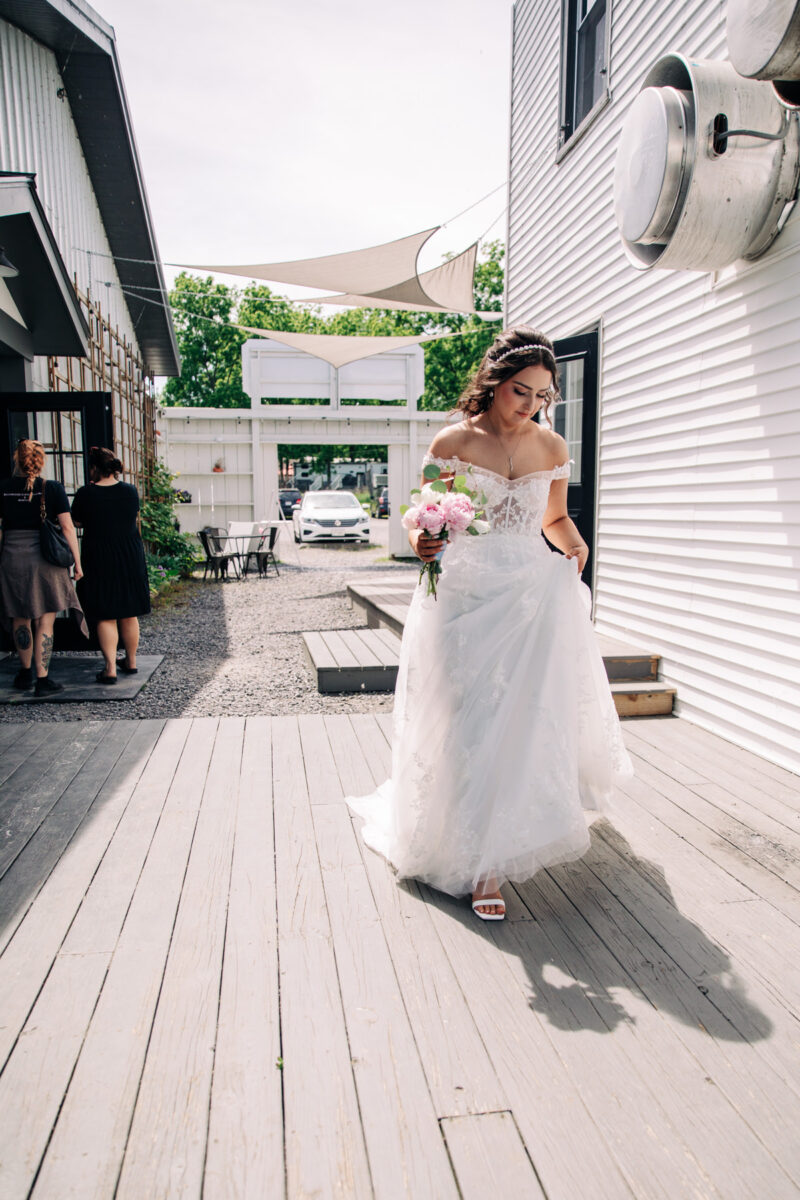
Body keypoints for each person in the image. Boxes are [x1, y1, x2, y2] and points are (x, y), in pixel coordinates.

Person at [346, 327, 633, 921]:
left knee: (522, 719)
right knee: (466, 719)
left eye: (540, 395)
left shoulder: (551, 448)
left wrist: (576, 549)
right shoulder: (454, 440)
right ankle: (453, 833)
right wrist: (422, 543)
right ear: (495, 381)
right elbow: (423, 520)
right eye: (519, 391)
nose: (528, 405)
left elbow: (553, 517)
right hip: (464, 596)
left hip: (530, 596)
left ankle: (489, 867)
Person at [0, 438, 85, 694]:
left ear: (17, 458)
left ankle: (25, 674)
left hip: (13, 559)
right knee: (45, 620)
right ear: (41, 460)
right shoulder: (53, 488)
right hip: (46, 560)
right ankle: (43, 679)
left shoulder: (3, 488)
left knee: (20, 617)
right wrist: (77, 563)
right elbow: (68, 528)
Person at [70, 446, 151, 684]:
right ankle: (132, 661)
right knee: (128, 612)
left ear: (94, 468)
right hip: (129, 554)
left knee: (105, 613)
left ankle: (110, 668)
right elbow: (131, 517)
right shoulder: (130, 491)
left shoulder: (86, 493)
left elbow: (76, 521)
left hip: (99, 555)